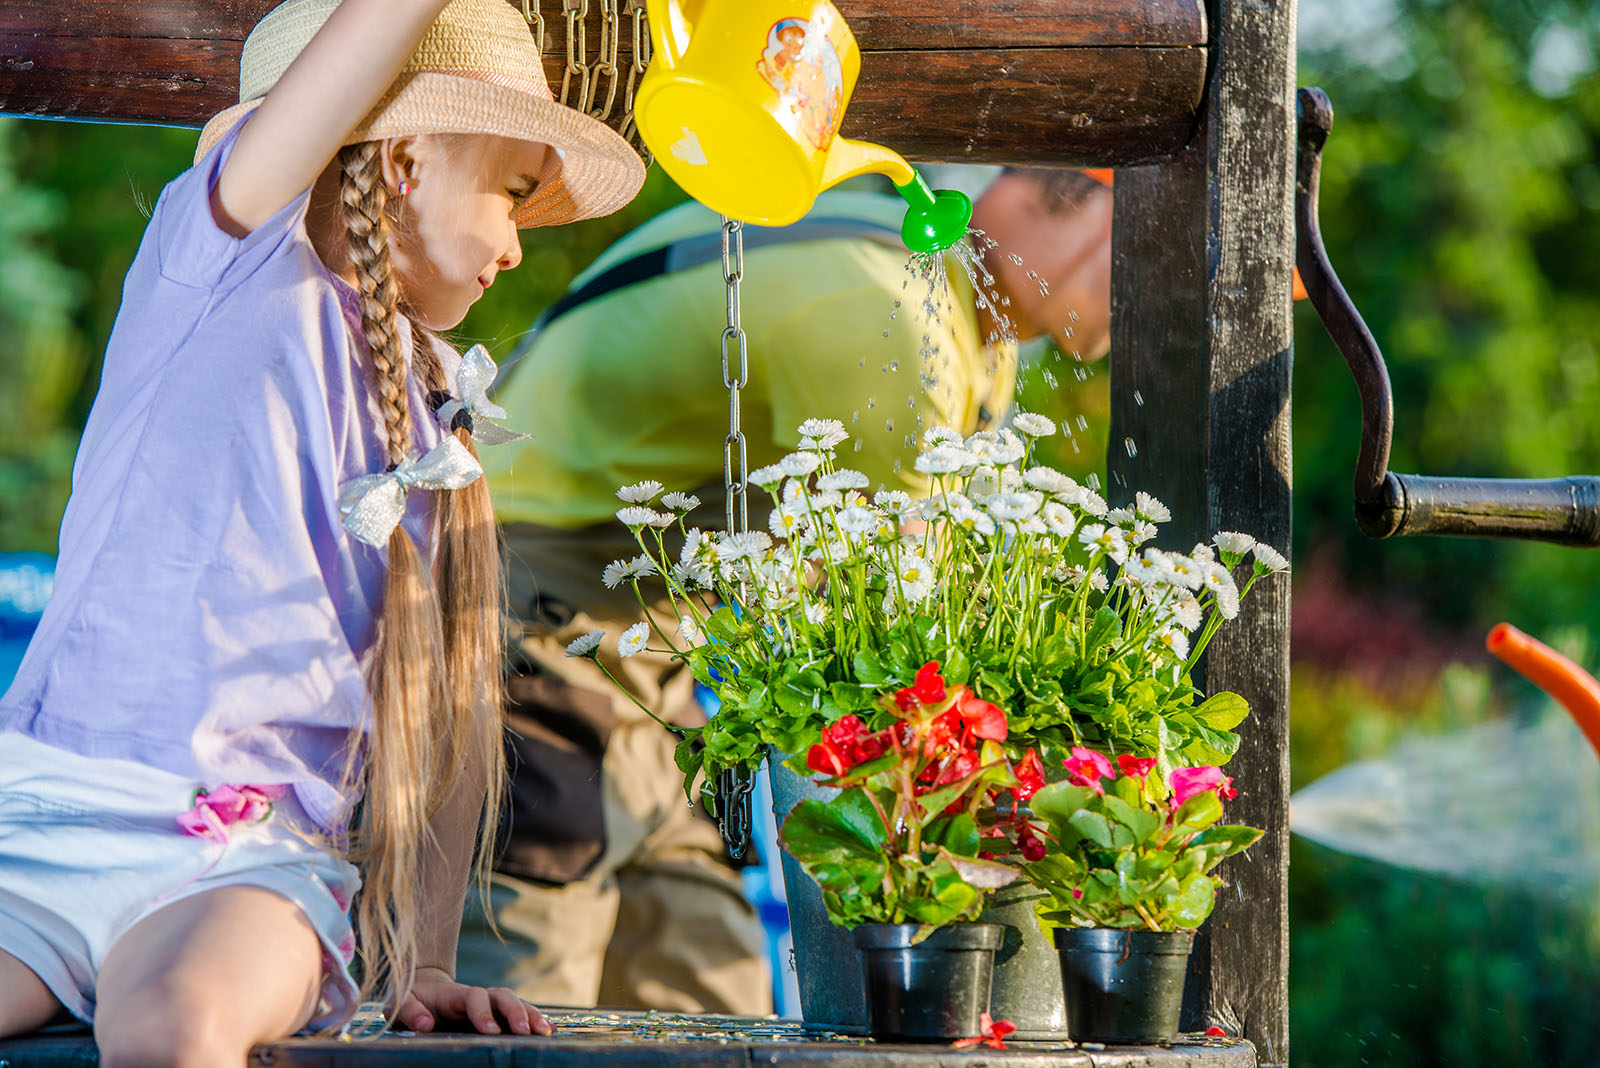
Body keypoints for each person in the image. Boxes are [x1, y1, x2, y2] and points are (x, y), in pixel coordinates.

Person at [0, 0, 643, 1062]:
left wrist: (427, 960)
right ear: (406, 159)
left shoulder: (436, 410)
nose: (518, 248)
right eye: (514, 195)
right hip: (49, 821)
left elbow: (449, 710)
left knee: (175, 1024)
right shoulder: (228, 263)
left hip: (248, 864)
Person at [453, 167, 1111, 1013]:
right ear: (1026, 192)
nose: (1157, 291)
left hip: (654, 640)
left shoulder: (962, 312)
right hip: (524, 601)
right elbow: (891, 628)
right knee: (528, 968)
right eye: (1133, 237)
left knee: (707, 978)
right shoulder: (894, 310)